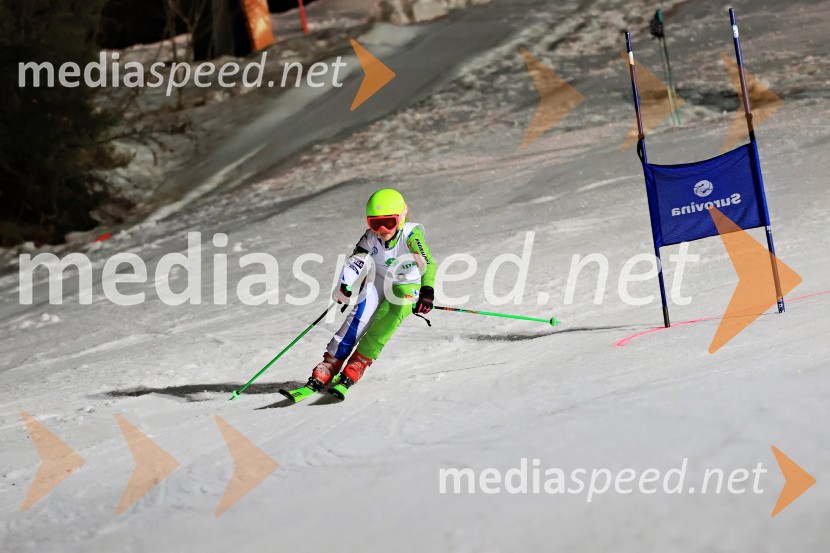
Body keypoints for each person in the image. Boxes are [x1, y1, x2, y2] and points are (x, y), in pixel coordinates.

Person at [307, 188, 436, 399]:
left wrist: (427, 290)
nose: (382, 229)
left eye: (389, 222)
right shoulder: (370, 238)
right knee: (360, 316)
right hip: (380, 279)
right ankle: (331, 362)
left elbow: (428, 263)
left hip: (407, 283)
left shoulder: (411, 235)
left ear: (402, 216)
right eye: (376, 223)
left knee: (392, 314)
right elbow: (356, 261)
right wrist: (346, 284)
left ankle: (359, 361)